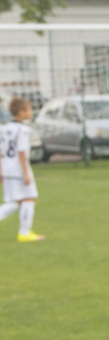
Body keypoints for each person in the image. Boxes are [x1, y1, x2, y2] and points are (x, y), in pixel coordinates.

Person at [2, 96, 43, 242]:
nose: (31, 113)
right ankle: (24, 233)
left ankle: (24, 232)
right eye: (29, 110)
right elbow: (21, 152)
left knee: (15, 202)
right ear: (21, 112)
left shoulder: (4, 129)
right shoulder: (23, 130)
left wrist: (1, 171)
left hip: (7, 167)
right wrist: (26, 173)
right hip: (19, 168)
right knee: (29, 198)